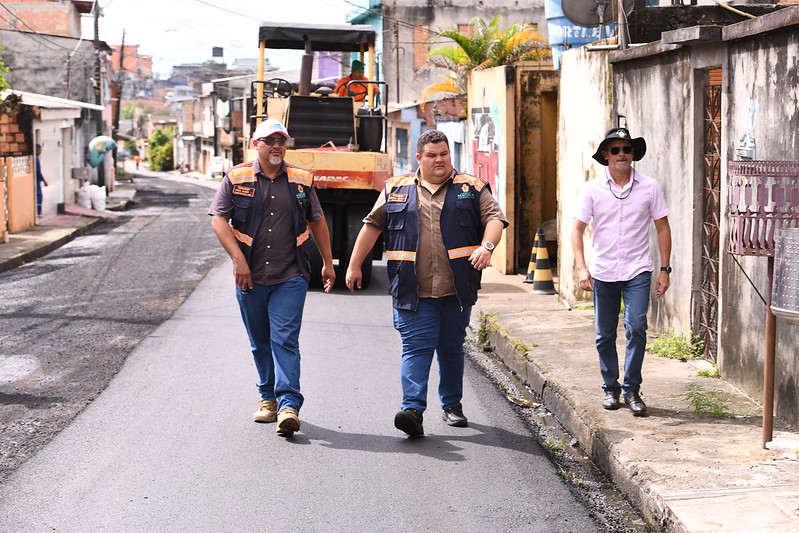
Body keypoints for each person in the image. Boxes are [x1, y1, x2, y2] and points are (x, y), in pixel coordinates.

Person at [346, 130, 508, 437]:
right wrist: (354, 265)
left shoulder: (470, 187)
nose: (439, 160)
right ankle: (413, 410)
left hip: (457, 288)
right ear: (419, 158)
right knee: (416, 348)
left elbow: (495, 219)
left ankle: (452, 405)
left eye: (444, 154)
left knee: (450, 348)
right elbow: (372, 226)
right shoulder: (396, 188)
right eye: (432, 155)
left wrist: (486, 247)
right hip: (412, 288)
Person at [209, 118, 335, 437]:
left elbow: (317, 221)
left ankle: (289, 404)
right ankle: (268, 399)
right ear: (256, 144)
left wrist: (328, 264)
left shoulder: (301, 179)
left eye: (282, 140)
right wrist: (238, 260)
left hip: (290, 274)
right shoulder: (236, 176)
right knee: (260, 343)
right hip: (249, 276)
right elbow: (219, 221)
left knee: (285, 340)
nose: (277, 145)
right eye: (270, 140)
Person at [570, 127, 672, 417]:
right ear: (606, 155)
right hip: (603, 271)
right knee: (604, 334)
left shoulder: (649, 187)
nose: (621, 155)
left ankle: (632, 389)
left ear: (633, 154)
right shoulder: (592, 189)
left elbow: (662, 228)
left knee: (637, 327)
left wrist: (664, 269)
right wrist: (581, 267)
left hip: (638, 269)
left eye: (626, 149)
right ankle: (610, 387)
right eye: (615, 150)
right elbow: (576, 230)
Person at [35, 144, 48, 216]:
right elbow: (38, 171)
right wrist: (44, 180)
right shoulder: (36, 159)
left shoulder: (37, 158)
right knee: (39, 195)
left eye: (40, 150)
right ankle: (38, 212)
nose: (39, 152)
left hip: (37, 180)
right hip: (36, 180)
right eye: (37, 150)